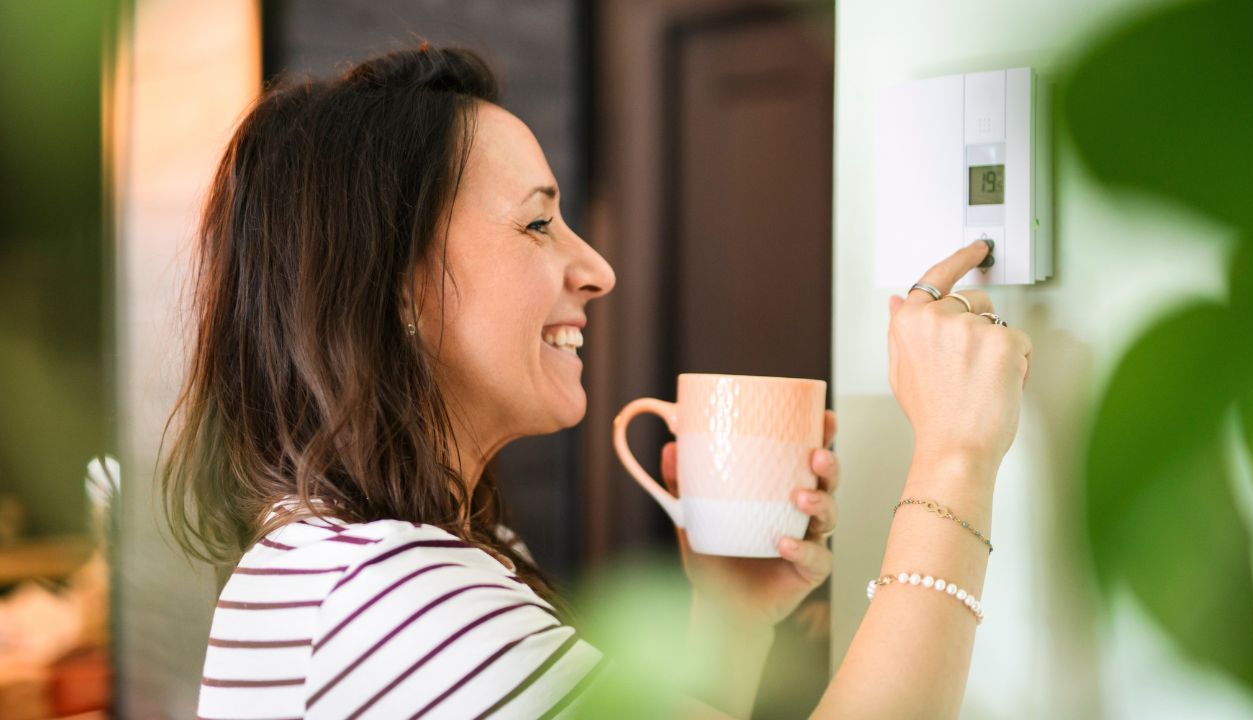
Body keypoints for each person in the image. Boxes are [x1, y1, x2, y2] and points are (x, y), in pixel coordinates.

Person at [163, 44, 1031, 719]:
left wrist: (731, 614)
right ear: (396, 287)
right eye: (538, 223)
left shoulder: (364, 562)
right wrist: (955, 457)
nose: (597, 270)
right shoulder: (390, 599)